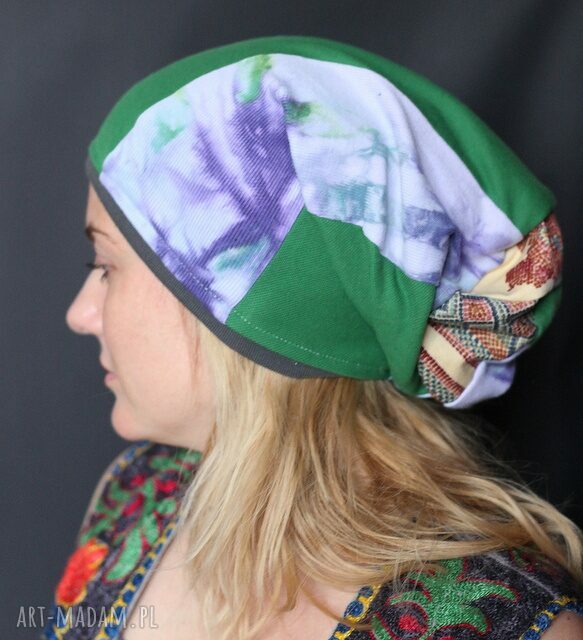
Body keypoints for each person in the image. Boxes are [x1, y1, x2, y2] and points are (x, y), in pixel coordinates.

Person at [41, 35, 583, 640]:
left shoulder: (499, 622)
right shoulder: (138, 494)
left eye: (105, 266)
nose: (81, 313)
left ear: (248, 320)